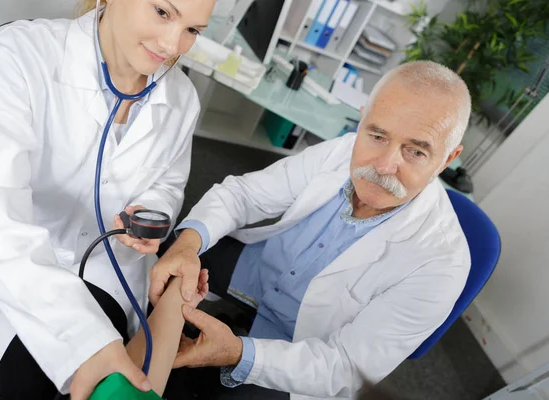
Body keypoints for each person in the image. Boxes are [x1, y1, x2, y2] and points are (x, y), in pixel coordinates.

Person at [151, 60, 473, 399]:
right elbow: (243, 195)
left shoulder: (442, 266)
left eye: (416, 151)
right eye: (377, 135)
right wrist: (188, 244)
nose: (384, 165)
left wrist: (237, 353)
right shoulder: (341, 150)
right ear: (362, 119)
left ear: (448, 158)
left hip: (302, 346)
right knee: (168, 253)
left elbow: (346, 367)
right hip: (256, 272)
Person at [0, 0, 215, 398]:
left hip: (111, 273)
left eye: (192, 31)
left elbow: (168, 184)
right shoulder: (17, 58)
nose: (171, 45)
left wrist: (153, 214)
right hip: (24, 272)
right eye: (163, 12)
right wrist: (84, 338)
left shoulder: (181, 99)